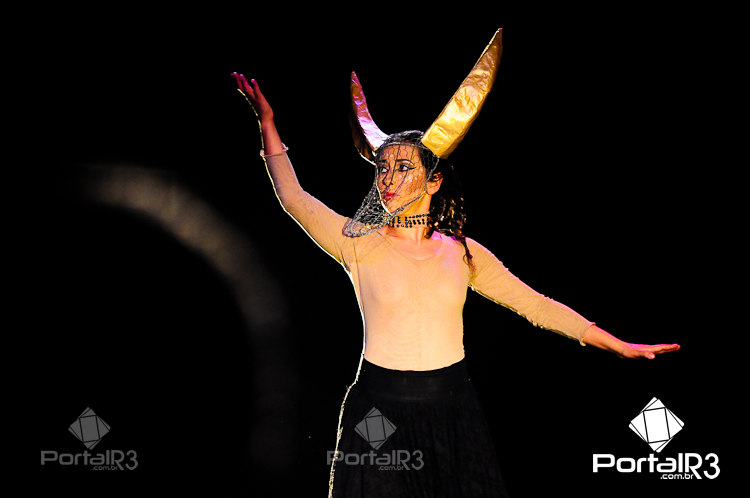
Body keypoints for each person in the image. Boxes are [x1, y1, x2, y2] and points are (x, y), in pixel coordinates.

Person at [231, 32, 679, 498]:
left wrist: (616, 344)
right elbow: (294, 198)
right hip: (378, 407)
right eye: (382, 168)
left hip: (451, 405)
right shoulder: (359, 242)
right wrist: (267, 122)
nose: (388, 178)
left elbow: (535, 305)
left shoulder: (463, 253)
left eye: (404, 168)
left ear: (433, 181)